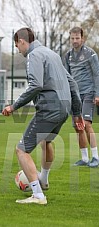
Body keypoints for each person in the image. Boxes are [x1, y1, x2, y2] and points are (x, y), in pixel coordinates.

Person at [2, 28, 84, 204]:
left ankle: (38, 195)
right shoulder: (52, 54)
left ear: (23, 42)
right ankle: (43, 180)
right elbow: (73, 85)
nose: (18, 50)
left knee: (21, 150)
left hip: (49, 109)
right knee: (46, 141)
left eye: (17, 45)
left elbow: (36, 85)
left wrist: (14, 106)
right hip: (63, 108)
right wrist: (77, 114)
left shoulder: (34, 56)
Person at [64, 26, 99, 168]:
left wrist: (97, 93)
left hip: (89, 92)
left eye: (77, 38)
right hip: (75, 96)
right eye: (72, 38)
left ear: (82, 39)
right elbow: (66, 76)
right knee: (78, 127)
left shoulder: (90, 54)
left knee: (87, 123)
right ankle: (84, 159)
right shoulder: (67, 56)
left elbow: (97, 74)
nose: (75, 41)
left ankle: (96, 157)